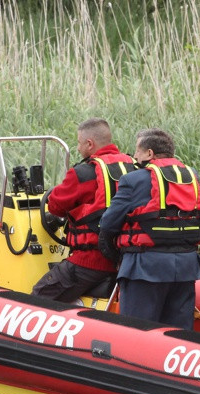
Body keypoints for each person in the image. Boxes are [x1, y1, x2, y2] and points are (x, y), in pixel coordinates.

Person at [98, 128, 200, 330]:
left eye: (137, 152)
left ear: (149, 154)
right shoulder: (191, 177)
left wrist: (116, 255)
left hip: (144, 267)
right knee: (179, 333)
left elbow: (108, 223)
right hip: (186, 267)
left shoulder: (133, 180)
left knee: (137, 331)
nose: (134, 156)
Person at [32, 118, 136, 302]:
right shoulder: (133, 166)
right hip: (125, 257)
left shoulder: (84, 173)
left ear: (90, 144)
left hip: (91, 260)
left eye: (79, 143)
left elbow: (55, 205)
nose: (78, 149)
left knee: (40, 294)